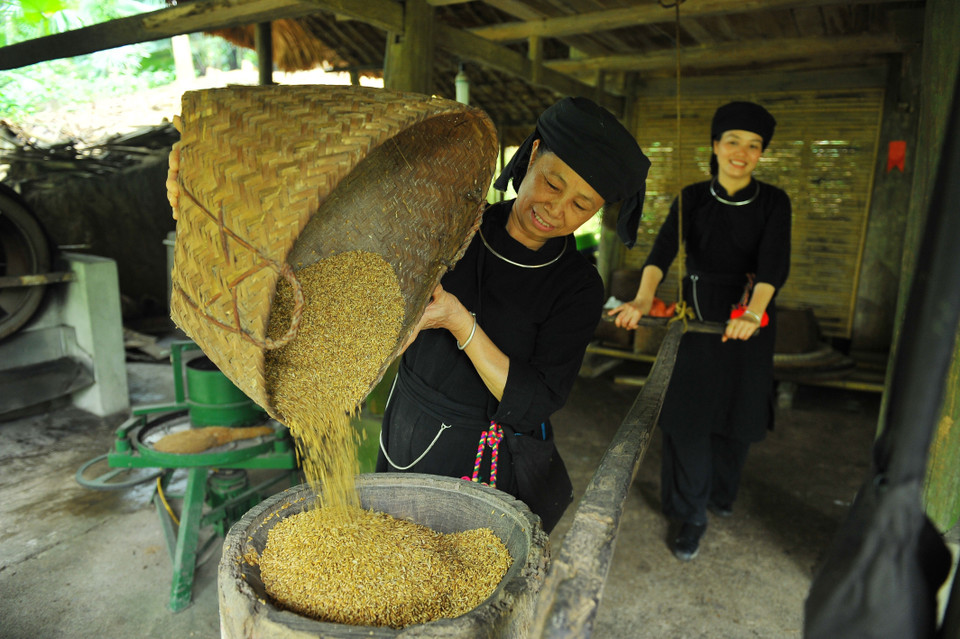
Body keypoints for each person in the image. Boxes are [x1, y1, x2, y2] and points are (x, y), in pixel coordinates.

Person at [376, 96, 650, 533]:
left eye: (581, 206)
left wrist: (458, 320)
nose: (557, 211)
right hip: (405, 420)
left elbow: (535, 401)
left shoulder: (577, 286)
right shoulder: (459, 223)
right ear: (534, 154)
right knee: (385, 547)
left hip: (477, 454)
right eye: (553, 185)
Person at [608, 101, 791, 560]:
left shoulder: (773, 202)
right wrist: (645, 298)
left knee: (738, 420)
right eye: (733, 141)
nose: (741, 152)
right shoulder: (691, 198)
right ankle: (689, 516)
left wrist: (752, 314)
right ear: (715, 146)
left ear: (760, 154)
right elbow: (661, 253)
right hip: (696, 321)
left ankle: (720, 494)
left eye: (753, 145)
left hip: (748, 322)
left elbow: (773, 265)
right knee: (688, 422)